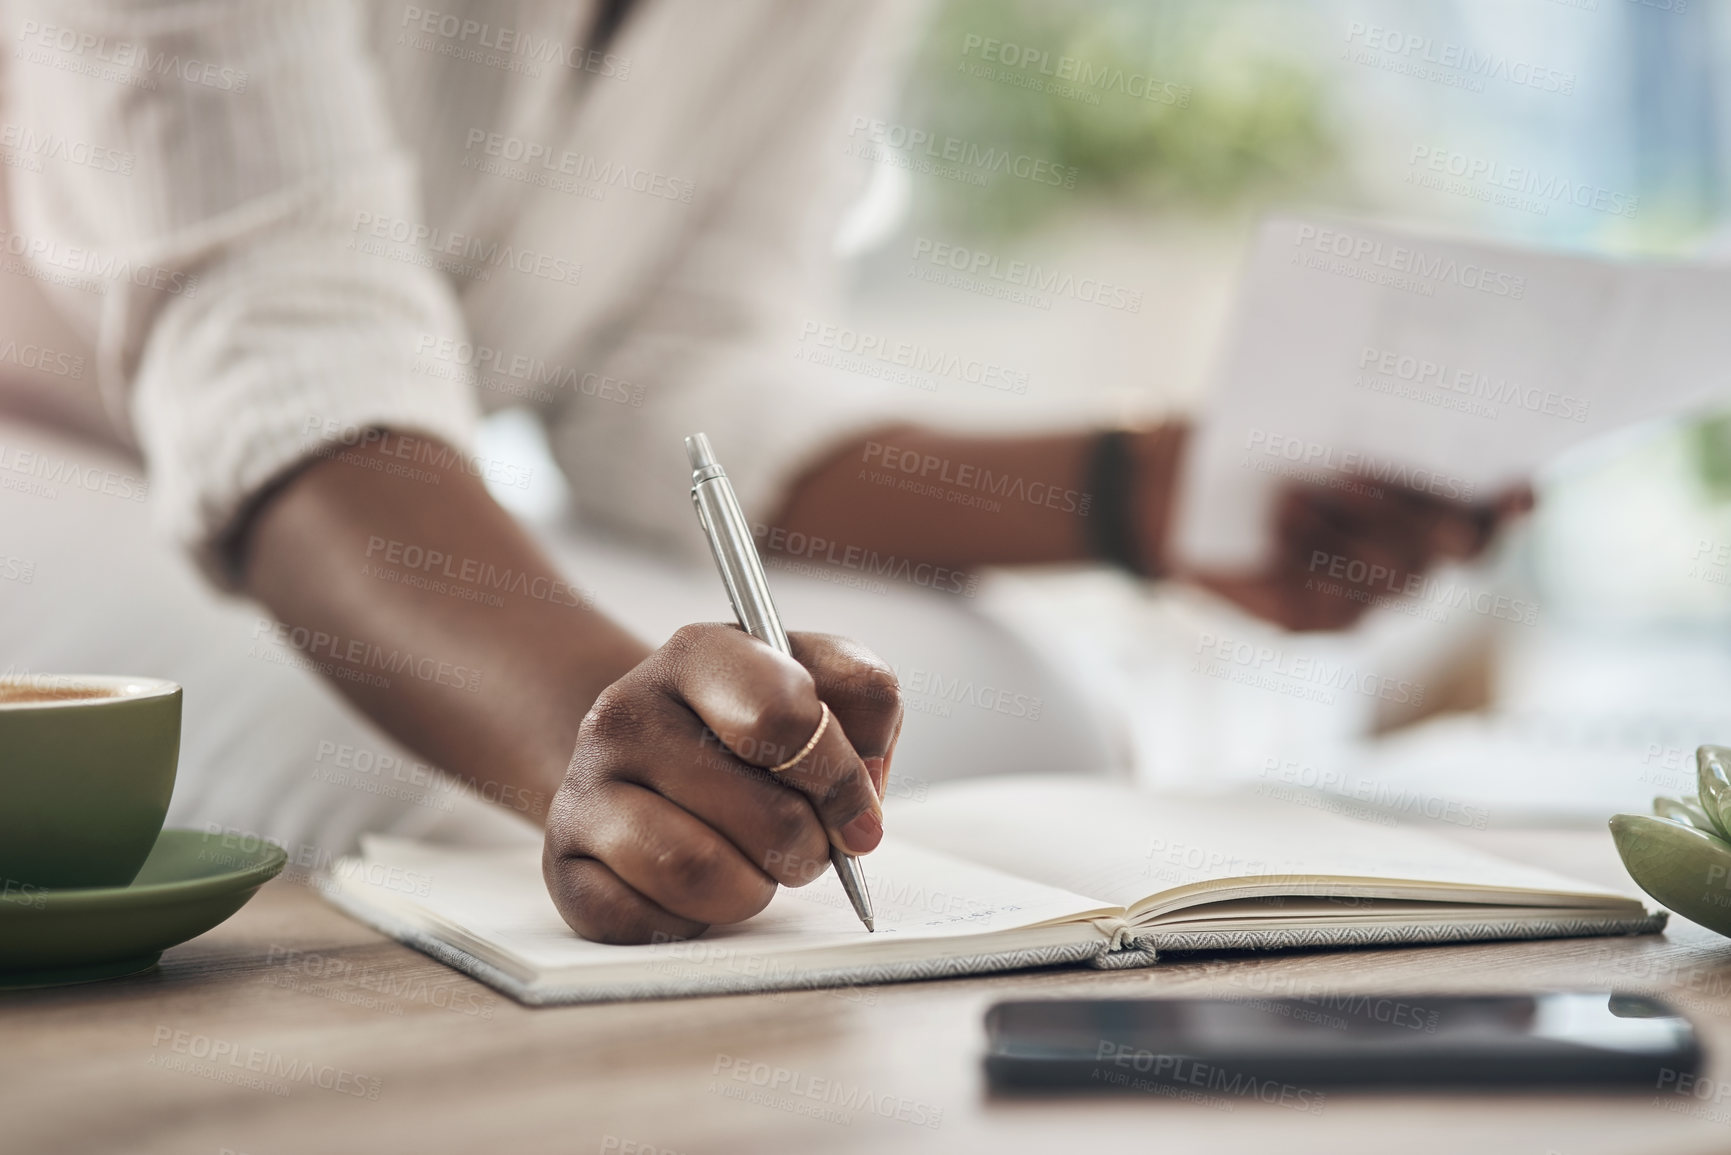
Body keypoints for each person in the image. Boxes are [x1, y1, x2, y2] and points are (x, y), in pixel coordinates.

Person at [0, 0, 1518, 943]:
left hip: (387, 490)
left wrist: (1129, 494)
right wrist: (585, 738)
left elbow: (672, 371)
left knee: (1014, 708)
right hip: (68, 455)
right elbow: (276, 341)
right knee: (452, 793)